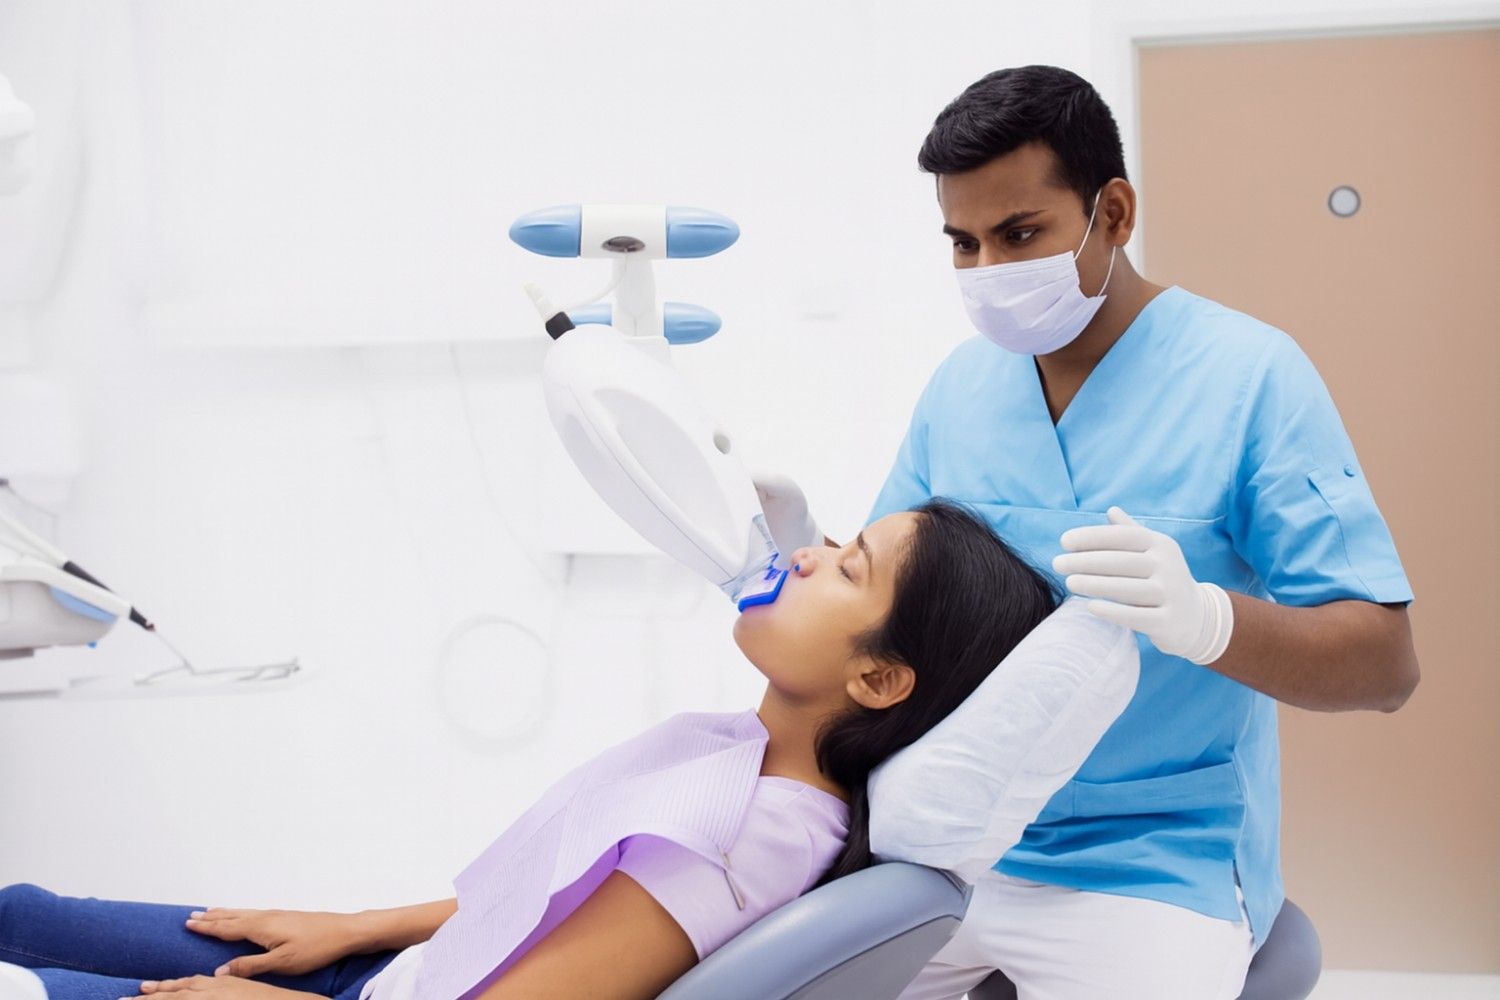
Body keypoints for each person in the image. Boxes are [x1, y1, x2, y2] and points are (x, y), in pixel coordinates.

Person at [757, 64, 1420, 999]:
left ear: (1112, 212)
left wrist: (1209, 622)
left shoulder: (1251, 378)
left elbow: (1386, 666)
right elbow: (883, 640)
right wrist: (779, 565)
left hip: (1157, 862)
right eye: (963, 243)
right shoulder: (962, 387)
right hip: (955, 844)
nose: (989, 274)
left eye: (1020, 234)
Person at [0, 498, 1064, 1000]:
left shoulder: (750, 833)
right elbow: (564, 903)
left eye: (846, 566)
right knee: (24, 919)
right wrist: (351, 925)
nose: (804, 552)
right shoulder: (758, 777)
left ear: (879, 678)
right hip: (398, 976)